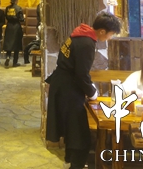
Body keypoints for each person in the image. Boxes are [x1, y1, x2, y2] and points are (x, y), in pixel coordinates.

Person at [46, 12, 122, 169]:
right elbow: (81, 74)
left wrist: (89, 88)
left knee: (72, 129)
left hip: (63, 84)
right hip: (69, 89)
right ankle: (76, 165)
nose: (110, 38)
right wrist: (93, 93)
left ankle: (70, 160)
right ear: (102, 31)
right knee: (79, 134)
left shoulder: (80, 35)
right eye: (111, 34)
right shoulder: (87, 43)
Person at [3, 0, 24, 67]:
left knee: (9, 43)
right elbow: (21, 19)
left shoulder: (7, 8)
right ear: (16, 0)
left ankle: (8, 57)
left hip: (9, 26)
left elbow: (6, 17)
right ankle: (15, 62)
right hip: (16, 27)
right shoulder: (19, 8)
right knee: (16, 45)